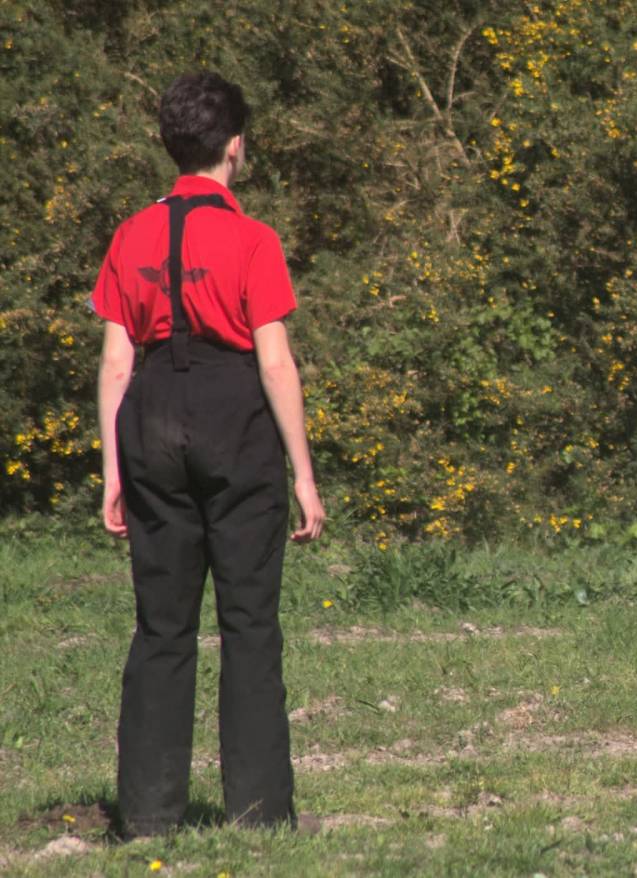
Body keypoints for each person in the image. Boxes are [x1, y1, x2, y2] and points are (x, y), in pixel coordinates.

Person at [93, 71, 324, 837]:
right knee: (249, 622)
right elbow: (276, 363)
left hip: (152, 414)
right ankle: (260, 815)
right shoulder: (254, 239)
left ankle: (148, 817)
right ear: (234, 147)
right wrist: (304, 473)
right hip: (235, 416)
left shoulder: (130, 235)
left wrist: (113, 472)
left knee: (162, 627)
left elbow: (117, 364)